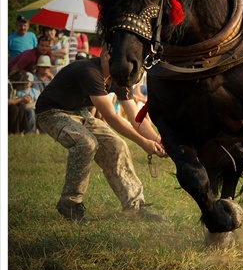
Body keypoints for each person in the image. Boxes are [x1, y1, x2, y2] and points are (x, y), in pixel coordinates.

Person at [35, 47, 167, 223]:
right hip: (51, 112)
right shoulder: (89, 71)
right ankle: (70, 203)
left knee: (117, 146)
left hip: (80, 113)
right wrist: (143, 143)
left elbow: (137, 119)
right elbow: (111, 117)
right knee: (86, 143)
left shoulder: (119, 77)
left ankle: (134, 206)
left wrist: (158, 141)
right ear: (105, 55)